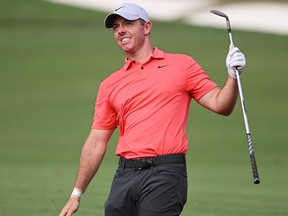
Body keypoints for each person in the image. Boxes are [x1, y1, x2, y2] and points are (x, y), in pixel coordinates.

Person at [59, 2, 246, 216]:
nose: (120, 30)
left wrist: (232, 76)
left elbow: (221, 105)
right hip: (125, 175)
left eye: (128, 23)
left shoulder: (182, 65)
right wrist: (76, 194)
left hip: (165, 172)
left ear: (146, 27)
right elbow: (96, 142)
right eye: (116, 27)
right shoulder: (110, 84)